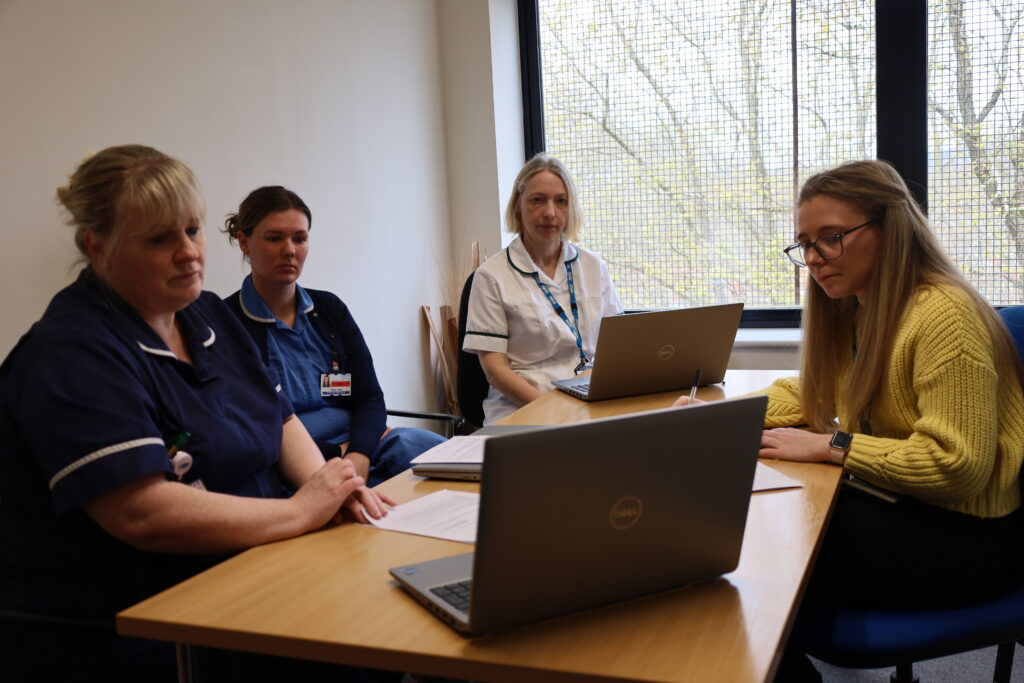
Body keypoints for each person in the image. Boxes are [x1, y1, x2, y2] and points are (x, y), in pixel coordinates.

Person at [0, 145, 394, 682]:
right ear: (98, 247)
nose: (188, 253)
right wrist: (301, 512)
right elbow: (142, 513)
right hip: (137, 620)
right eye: (160, 239)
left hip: (251, 568)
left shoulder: (206, 314)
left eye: (193, 230)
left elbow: (279, 420)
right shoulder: (71, 352)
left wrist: (334, 488)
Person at [676, 159, 1024, 681]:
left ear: (890, 229)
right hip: (914, 510)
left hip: (970, 536)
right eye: (805, 243)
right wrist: (723, 416)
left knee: (749, 562)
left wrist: (831, 445)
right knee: (739, 538)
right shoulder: (868, 310)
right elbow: (812, 393)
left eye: (831, 238)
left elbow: (957, 466)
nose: (814, 258)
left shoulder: (943, 315)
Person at [223, 186, 446, 486]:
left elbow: (369, 397)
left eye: (299, 239)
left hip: (362, 449)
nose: (289, 250)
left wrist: (360, 454)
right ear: (244, 242)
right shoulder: (226, 323)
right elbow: (249, 430)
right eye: (274, 238)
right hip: (292, 465)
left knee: (435, 450)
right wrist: (339, 454)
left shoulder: (328, 309)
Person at [462, 153, 623, 423]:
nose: (549, 212)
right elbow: (495, 370)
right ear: (518, 205)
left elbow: (617, 344)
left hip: (590, 401)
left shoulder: (594, 266)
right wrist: (553, 409)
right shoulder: (491, 276)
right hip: (523, 408)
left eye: (561, 201)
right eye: (538, 200)